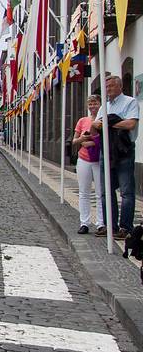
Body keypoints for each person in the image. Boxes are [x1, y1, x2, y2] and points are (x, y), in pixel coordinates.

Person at [92, 75, 139, 238]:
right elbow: (95, 125)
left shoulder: (130, 102)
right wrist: (112, 123)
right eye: (106, 87)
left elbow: (131, 124)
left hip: (124, 151)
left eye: (111, 86)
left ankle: (126, 227)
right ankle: (110, 225)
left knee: (126, 191)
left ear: (120, 87)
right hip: (107, 150)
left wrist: (109, 123)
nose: (108, 89)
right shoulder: (104, 106)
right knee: (106, 190)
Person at [72, 95, 104, 235]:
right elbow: (74, 141)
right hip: (84, 159)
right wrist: (82, 139)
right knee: (84, 192)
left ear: (100, 104)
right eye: (90, 104)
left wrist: (90, 142)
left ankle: (100, 223)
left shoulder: (103, 120)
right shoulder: (82, 121)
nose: (92, 106)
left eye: (95, 103)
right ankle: (84, 222)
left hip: (99, 159)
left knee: (100, 193)